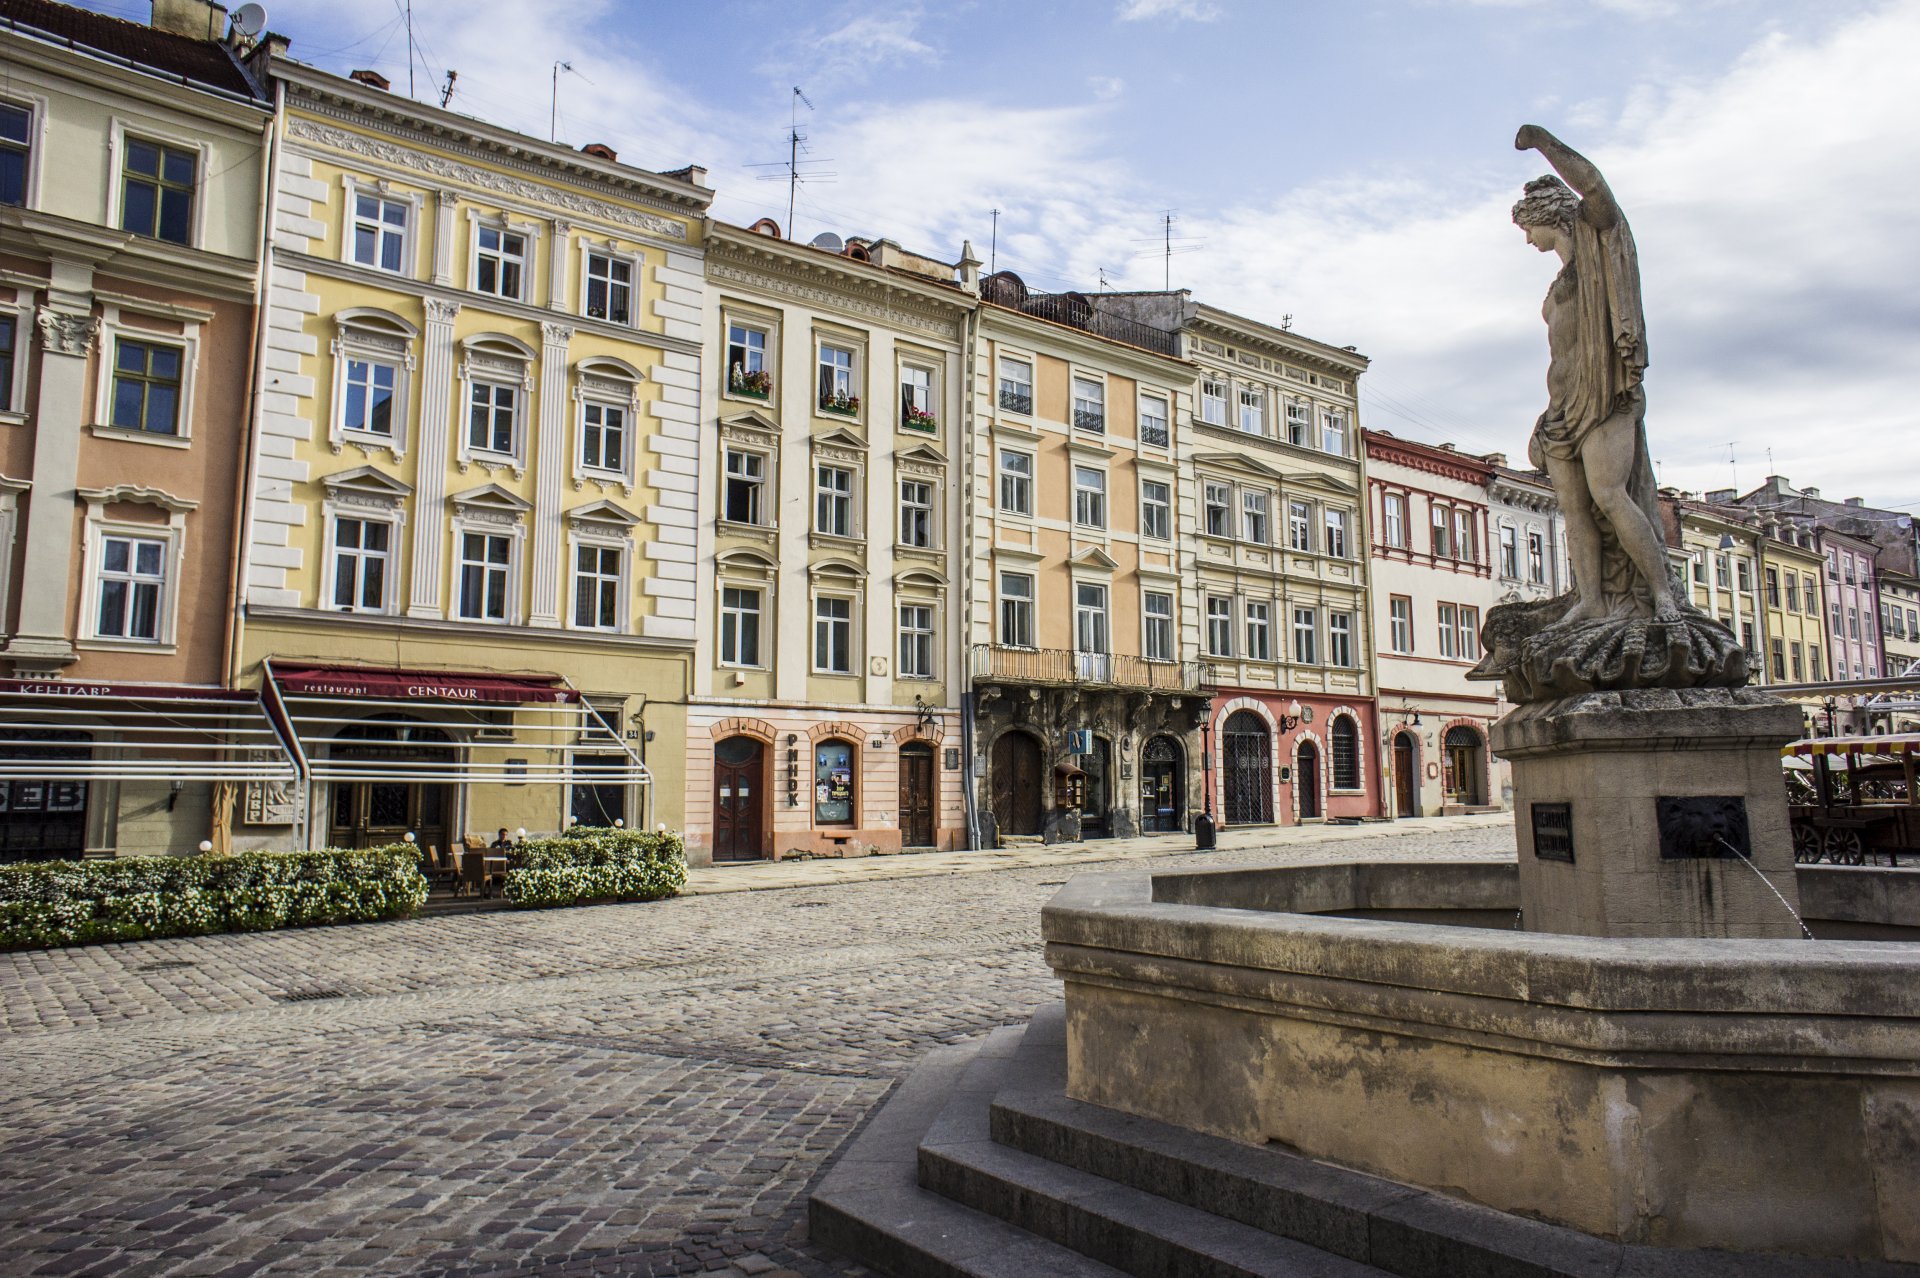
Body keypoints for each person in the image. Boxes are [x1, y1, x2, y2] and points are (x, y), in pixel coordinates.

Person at [1512, 124, 1684, 624]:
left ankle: (1660, 594)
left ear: (1550, 218)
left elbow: (1593, 187)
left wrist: (1543, 144)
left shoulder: (1597, 249)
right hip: (1562, 404)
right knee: (1576, 511)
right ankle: (1590, 598)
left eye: (1529, 228)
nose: (1527, 239)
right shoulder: (1560, 279)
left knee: (1611, 495)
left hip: (1603, 394)